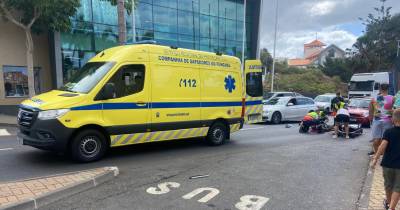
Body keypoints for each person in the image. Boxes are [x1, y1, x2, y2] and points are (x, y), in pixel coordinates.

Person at [371, 109, 400, 210]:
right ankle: (391, 207)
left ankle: (388, 203)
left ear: (393, 119)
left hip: (387, 164)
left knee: (388, 186)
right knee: (398, 188)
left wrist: (375, 159)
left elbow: (382, 146)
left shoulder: (388, 132)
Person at [369, 84, 394, 155]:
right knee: (385, 139)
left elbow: (370, 110)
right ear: (388, 89)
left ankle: (376, 155)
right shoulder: (392, 98)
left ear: (380, 89)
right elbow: (394, 110)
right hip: (388, 121)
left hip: (377, 120)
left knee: (376, 139)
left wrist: (370, 120)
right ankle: (383, 155)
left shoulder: (374, 98)